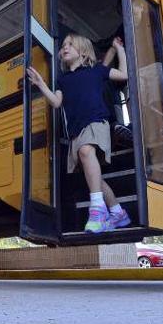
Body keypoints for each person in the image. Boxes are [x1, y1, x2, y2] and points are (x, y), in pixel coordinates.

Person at [26, 34, 130, 233]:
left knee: (85, 151)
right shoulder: (63, 80)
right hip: (77, 131)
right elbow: (56, 102)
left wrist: (119, 50)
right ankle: (118, 213)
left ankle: (98, 211)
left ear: (83, 52)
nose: (65, 47)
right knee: (95, 179)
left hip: (96, 122)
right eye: (63, 45)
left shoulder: (97, 70)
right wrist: (41, 84)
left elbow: (124, 75)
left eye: (70, 45)